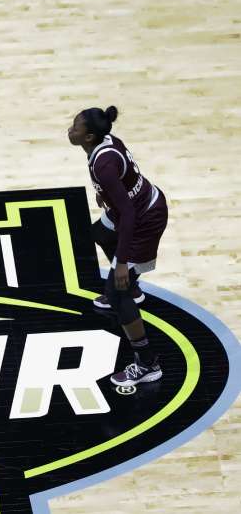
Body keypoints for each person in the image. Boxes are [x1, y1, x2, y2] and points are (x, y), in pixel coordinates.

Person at [68, 106, 168, 387]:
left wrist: (122, 262)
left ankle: (147, 363)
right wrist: (106, 195)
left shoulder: (104, 165)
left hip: (144, 218)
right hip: (137, 205)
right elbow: (124, 184)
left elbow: (129, 215)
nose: (70, 130)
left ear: (88, 136)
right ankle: (132, 292)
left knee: (116, 289)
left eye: (75, 127)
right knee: (99, 233)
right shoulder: (107, 143)